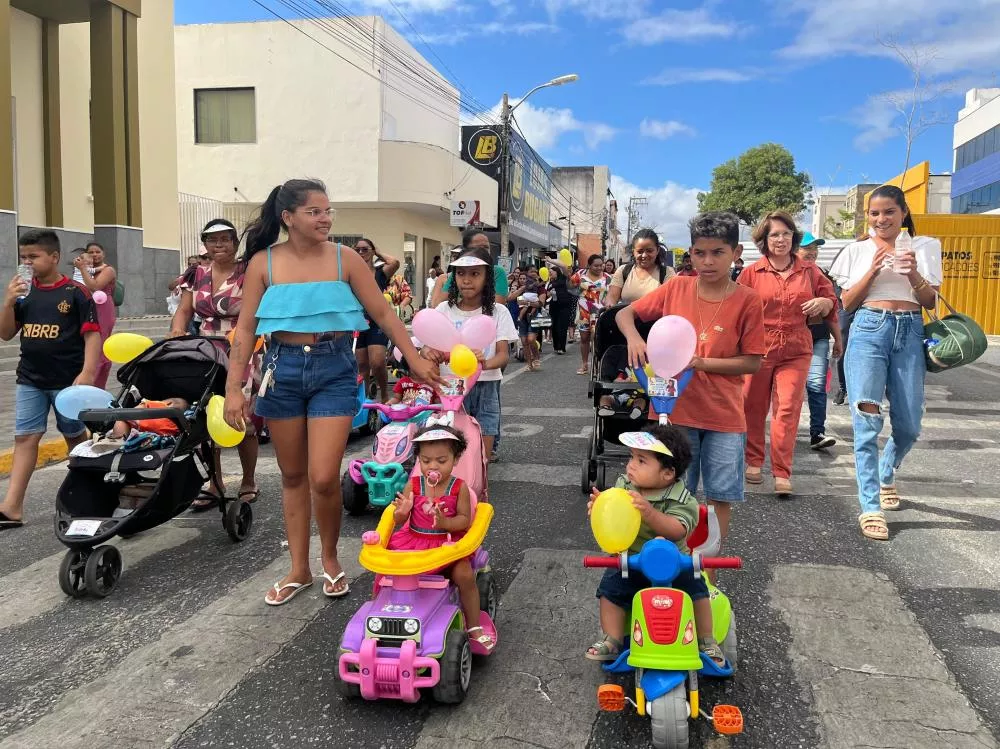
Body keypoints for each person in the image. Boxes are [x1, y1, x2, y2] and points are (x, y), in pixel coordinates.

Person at [223, 179, 441, 605]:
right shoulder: (263, 264)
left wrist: (413, 358)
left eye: (328, 211)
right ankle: (299, 569)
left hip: (335, 367)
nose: (325, 219)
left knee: (323, 477)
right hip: (280, 370)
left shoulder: (345, 260)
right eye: (315, 212)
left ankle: (330, 559)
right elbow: (245, 329)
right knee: (292, 475)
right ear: (288, 218)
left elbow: (382, 312)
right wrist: (234, 387)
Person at [616, 212, 766, 554]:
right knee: (668, 490)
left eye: (717, 252)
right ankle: (666, 559)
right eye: (699, 253)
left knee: (720, 495)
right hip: (673, 414)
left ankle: (708, 563)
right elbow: (624, 314)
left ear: (736, 252)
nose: (708, 261)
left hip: (724, 417)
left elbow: (752, 362)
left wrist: (701, 362)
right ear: (691, 253)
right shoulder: (677, 287)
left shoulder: (747, 300)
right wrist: (635, 339)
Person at [829, 185, 941, 542]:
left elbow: (929, 301)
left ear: (903, 212)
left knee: (909, 424)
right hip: (868, 330)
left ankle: (887, 469)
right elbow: (846, 303)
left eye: (889, 212)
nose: (881, 220)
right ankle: (870, 504)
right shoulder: (856, 250)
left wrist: (912, 273)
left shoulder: (925, 247)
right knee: (867, 421)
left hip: (909, 331)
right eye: (874, 214)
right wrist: (873, 270)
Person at [584, 424, 724, 665]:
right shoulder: (624, 487)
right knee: (610, 590)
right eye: (631, 457)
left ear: (667, 473)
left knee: (698, 590)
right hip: (632, 560)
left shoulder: (682, 498)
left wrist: (649, 512)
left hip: (673, 563)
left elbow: (678, 529)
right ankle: (612, 639)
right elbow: (614, 520)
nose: (630, 465)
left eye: (641, 460)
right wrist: (600, 507)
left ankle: (706, 640)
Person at [0, 229, 100, 529]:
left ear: (54, 257)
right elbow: (6, 333)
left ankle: (90, 495)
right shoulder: (24, 294)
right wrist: (7, 302)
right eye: (23, 258)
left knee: (74, 437)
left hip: (67, 380)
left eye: (34, 257)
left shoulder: (75, 293)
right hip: (30, 378)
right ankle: (11, 506)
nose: (27, 263)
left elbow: (93, 335)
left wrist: (87, 373)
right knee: (25, 437)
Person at [736, 212, 838, 496]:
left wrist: (822, 302)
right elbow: (737, 309)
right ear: (764, 241)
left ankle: (782, 471)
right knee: (753, 406)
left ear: (793, 237)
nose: (780, 239)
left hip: (796, 348)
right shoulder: (751, 273)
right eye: (774, 235)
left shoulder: (809, 271)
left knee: (787, 409)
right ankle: (753, 460)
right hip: (759, 347)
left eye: (785, 233)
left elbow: (832, 301)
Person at [169, 219, 261, 508]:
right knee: (205, 416)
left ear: (235, 243)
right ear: (204, 244)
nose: (218, 245)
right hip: (206, 348)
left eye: (225, 239)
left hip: (244, 346)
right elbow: (184, 311)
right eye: (212, 240)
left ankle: (248, 480)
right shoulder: (196, 274)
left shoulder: (248, 272)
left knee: (242, 418)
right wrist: (177, 332)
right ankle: (215, 480)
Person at [388, 425, 495, 652]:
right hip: (415, 544)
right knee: (388, 572)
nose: (433, 467)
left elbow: (465, 520)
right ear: (418, 460)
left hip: (447, 545)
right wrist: (402, 511)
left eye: (441, 460)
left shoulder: (459, 488)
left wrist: (446, 523)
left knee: (464, 574)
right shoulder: (414, 485)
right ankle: (388, 616)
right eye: (426, 461)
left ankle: (474, 625)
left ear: (455, 460)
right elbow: (398, 520)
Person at [424, 246, 518, 466]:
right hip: (450, 388)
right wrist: (426, 352)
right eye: (461, 273)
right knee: (449, 450)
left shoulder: (498, 312)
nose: (466, 280)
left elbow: (503, 355)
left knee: (481, 457)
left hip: (486, 386)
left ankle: (479, 494)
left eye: (475, 274)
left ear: (487, 278)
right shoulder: (442, 311)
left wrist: (484, 363)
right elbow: (424, 348)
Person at [795, 233, 844, 450]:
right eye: (807, 247)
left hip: (818, 339)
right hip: (790, 342)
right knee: (788, 390)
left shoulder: (822, 275)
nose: (812, 252)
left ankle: (817, 433)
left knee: (816, 385)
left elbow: (832, 310)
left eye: (816, 248)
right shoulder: (784, 275)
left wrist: (838, 340)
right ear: (795, 250)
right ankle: (783, 432)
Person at [354, 238, 399, 404]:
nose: (361, 253)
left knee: (378, 361)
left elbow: (394, 262)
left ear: (372, 251)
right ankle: (364, 400)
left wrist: (377, 251)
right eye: (357, 250)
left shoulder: (381, 272)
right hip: (358, 321)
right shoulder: (352, 273)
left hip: (377, 322)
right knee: (362, 365)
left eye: (365, 249)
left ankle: (385, 395)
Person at [71, 242, 117, 389]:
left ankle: (97, 384)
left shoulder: (108, 270)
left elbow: (94, 286)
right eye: (90, 252)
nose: (94, 255)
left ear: (103, 254)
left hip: (102, 308)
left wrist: (83, 269)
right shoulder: (85, 269)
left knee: (100, 345)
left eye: (97, 252)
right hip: (86, 306)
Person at [430, 229, 508, 308]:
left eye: (486, 247)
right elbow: (437, 305)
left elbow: (495, 308)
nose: (466, 281)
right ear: (466, 251)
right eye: (479, 248)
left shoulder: (497, 272)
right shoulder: (455, 274)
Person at [606, 229, 674, 306]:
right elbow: (612, 297)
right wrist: (609, 305)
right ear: (633, 251)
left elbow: (671, 301)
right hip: (623, 317)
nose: (644, 255)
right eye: (640, 251)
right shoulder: (623, 270)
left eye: (649, 251)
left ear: (657, 250)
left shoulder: (667, 272)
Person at [569, 254, 611, 375]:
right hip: (583, 310)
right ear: (589, 265)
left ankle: (598, 364)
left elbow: (614, 293)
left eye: (600, 265)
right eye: (595, 266)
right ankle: (584, 364)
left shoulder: (608, 278)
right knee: (584, 338)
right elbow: (570, 286)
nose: (599, 268)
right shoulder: (580, 274)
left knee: (596, 338)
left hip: (600, 311)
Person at [508, 265, 546, 371]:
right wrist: (517, 289)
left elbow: (541, 303)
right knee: (524, 341)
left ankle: (536, 356)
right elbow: (510, 298)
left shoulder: (540, 288)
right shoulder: (523, 287)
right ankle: (529, 364)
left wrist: (528, 303)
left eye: (535, 271)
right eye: (531, 271)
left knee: (531, 339)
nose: (533, 273)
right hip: (521, 318)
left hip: (534, 317)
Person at [110, 397, 190, 438]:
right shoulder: (180, 422)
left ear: (169, 403)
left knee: (123, 418)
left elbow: (135, 411)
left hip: (143, 425)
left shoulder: (158, 405)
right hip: (165, 432)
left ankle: (117, 439)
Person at [544, 258, 574, 355]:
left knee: (562, 326)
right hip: (554, 306)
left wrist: (551, 261)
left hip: (564, 305)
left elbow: (564, 266)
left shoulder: (563, 278)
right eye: (549, 272)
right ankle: (556, 346)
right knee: (555, 327)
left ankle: (562, 347)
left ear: (557, 272)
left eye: (551, 271)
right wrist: (550, 294)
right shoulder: (550, 282)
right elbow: (547, 295)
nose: (549, 273)